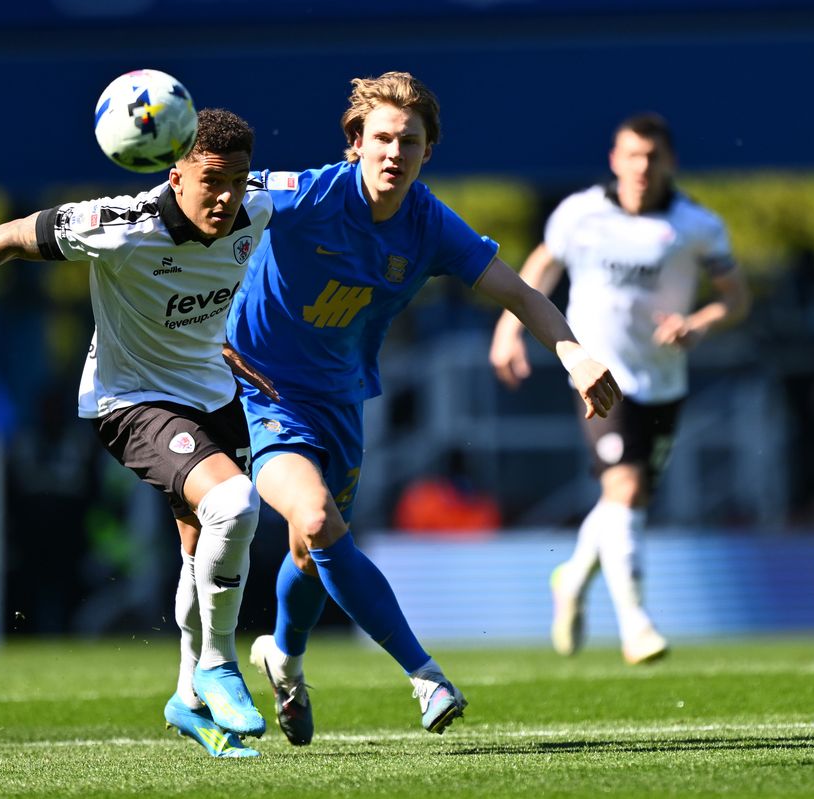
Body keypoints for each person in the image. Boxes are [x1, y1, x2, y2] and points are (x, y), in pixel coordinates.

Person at [0, 109, 273, 759]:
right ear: (176, 170)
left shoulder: (262, 202)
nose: (226, 196)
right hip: (131, 402)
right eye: (212, 179)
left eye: (237, 181)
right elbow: (9, 235)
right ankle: (217, 664)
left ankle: (187, 697)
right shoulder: (121, 226)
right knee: (236, 503)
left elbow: (340, 187)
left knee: (199, 549)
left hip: (212, 394)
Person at [225, 71, 622, 746]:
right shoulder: (305, 196)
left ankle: (283, 659)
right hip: (262, 389)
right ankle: (425, 673)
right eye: (381, 138)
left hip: (342, 401)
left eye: (409, 141)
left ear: (427, 151)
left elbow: (522, 294)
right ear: (355, 141)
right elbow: (208, 204)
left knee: (309, 547)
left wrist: (575, 355)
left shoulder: (429, 224)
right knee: (319, 518)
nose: (393, 153)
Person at [489, 113, 751, 665]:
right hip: (599, 376)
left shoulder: (697, 225)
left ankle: (571, 578)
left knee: (624, 500)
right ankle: (636, 623)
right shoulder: (581, 213)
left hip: (665, 381)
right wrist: (509, 329)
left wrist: (700, 323)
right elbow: (540, 266)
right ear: (614, 159)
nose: (642, 167)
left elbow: (736, 297)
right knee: (626, 490)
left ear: (669, 163)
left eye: (652, 157)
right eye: (632, 155)